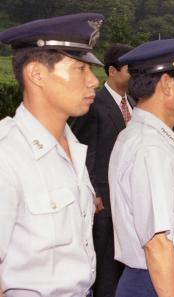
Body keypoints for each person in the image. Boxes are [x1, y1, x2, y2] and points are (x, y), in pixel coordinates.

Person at [0, 13, 104, 296]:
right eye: (80, 69)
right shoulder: (7, 155)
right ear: (36, 74)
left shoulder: (73, 148)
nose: (93, 81)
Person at [108, 36, 174, 297]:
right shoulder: (150, 147)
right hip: (161, 280)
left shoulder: (154, 138)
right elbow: (157, 244)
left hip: (167, 277)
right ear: (167, 84)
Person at [71, 44, 133, 297]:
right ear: (113, 71)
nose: (135, 74)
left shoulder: (134, 104)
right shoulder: (93, 105)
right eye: (131, 69)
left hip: (127, 203)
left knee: (122, 266)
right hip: (103, 204)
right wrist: (93, 192)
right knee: (104, 269)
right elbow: (81, 150)